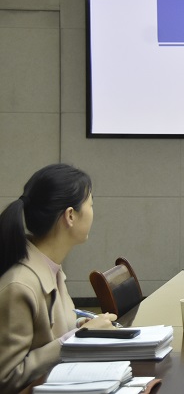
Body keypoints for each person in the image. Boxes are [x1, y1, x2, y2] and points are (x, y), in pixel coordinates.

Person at [0, 164, 117, 392]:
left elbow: (50, 335)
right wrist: (79, 338)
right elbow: (7, 379)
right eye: (91, 204)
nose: (93, 212)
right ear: (70, 216)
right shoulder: (19, 285)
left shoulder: (51, 267)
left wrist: (81, 327)